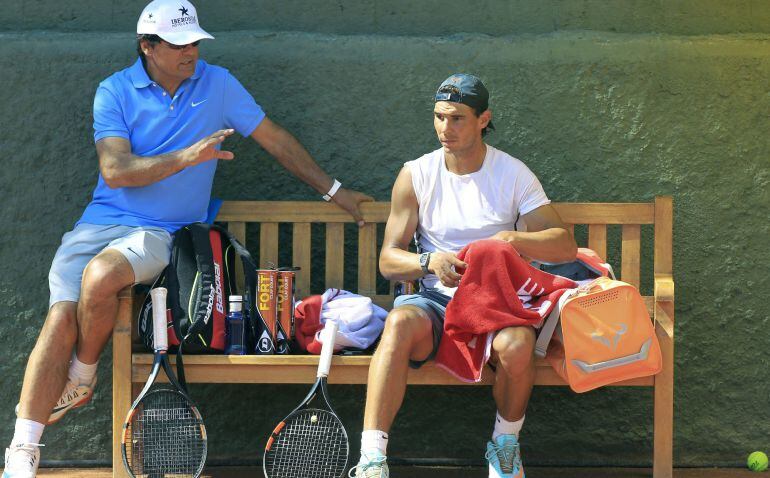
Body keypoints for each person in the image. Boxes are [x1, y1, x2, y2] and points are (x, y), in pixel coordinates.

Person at [2, 1, 373, 476]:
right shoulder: (113, 90)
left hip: (162, 234)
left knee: (100, 277)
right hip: (97, 225)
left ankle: (82, 374)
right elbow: (114, 169)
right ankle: (23, 449)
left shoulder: (218, 84)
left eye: (194, 41)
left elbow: (275, 138)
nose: (190, 51)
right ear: (147, 47)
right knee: (58, 318)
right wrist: (187, 157)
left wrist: (335, 191)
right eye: (178, 43)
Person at [349, 74, 577, 478]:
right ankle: (372, 460)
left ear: (483, 119)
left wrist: (511, 240)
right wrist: (428, 262)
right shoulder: (416, 174)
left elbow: (563, 246)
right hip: (435, 302)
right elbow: (388, 260)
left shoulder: (513, 173)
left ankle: (505, 447)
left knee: (519, 345)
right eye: (439, 117)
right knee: (399, 322)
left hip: (499, 303)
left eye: (456, 118)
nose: (444, 128)